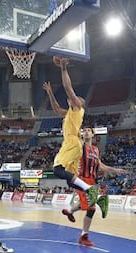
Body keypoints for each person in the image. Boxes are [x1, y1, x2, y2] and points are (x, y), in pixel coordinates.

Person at [43, 56, 98, 207]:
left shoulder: (77, 108)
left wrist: (63, 68)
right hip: (72, 143)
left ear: (79, 103)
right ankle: (89, 193)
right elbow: (56, 109)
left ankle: (89, 189)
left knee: (57, 170)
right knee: (70, 179)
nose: (74, 99)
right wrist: (50, 93)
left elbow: (68, 88)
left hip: (72, 142)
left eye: (76, 99)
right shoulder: (69, 113)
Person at [61, 127, 127, 246]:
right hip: (81, 179)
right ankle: (84, 236)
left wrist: (115, 170)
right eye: (84, 130)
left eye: (88, 131)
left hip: (92, 181)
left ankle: (69, 211)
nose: (86, 132)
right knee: (91, 208)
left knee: (85, 204)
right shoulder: (80, 146)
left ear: (93, 135)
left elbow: (100, 165)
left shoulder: (96, 150)